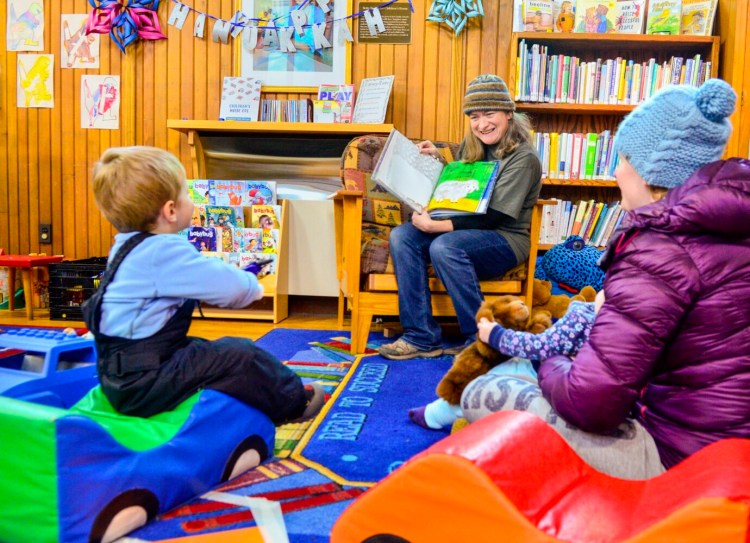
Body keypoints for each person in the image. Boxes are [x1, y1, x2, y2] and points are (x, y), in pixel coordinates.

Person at [459, 78, 750, 479]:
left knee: (482, 392)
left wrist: (549, 352)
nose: (615, 173)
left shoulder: (658, 253)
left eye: (623, 159)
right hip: (728, 447)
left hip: (680, 463)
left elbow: (590, 404)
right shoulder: (730, 226)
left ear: (650, 170)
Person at [83, 146, 324, 424]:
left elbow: (202, 277)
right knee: (239, 354)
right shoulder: (164, 251)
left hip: (121, 377)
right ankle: (293, 402)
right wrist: (252, 285)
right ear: (171, 210)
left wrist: (243, 271)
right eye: (186, 193)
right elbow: (234, 291)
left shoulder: (125, 247)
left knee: (203, 349)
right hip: (144, 383)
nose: (191, 200)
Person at [378, 74, 543, 360]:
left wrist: (436, 225)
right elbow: (466, 190)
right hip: (467, 231)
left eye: (490, 114)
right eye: (474, 117)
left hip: (505, 237)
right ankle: (421, 336)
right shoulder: (473, 146)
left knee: (445, 246)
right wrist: (438, 164)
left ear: (508, 113)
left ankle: (480, 339)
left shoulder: (524, 158)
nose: (482, 124)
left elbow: (492, 216)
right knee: (402, 235)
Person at [409, 291, 604, 430]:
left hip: (543, 371)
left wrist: (496, 335)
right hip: (554, 370)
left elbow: (541, 345)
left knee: (485, 382)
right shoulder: (599, 319)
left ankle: (436, 414)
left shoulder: (585, 319)